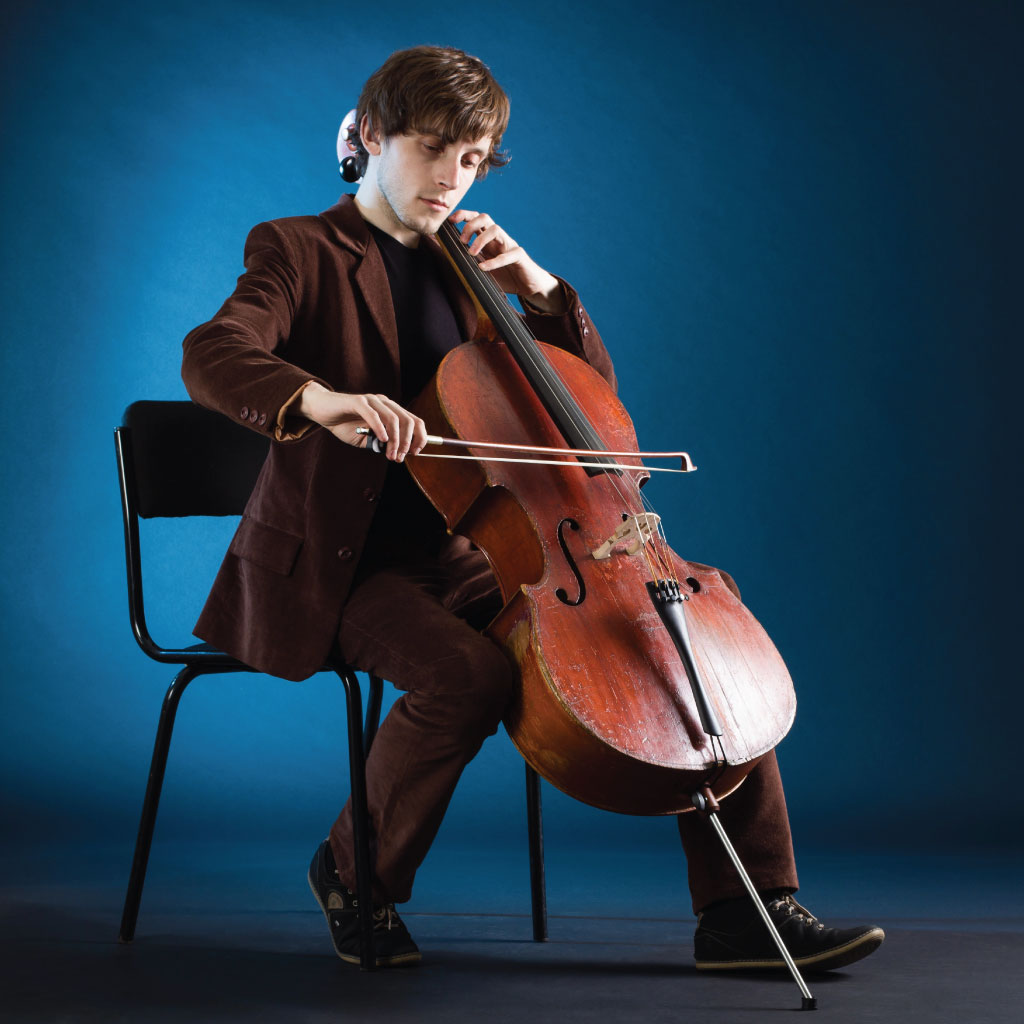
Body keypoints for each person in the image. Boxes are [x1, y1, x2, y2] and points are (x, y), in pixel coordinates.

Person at [181, 45, 884, 971]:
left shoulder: (469, 268)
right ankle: (353, 875)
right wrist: (322, 400)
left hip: (477, 555)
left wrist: (542, 294)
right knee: (466, 676)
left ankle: (745, 912)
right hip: (347, 564)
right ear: (374, 135)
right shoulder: (299, 249)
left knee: (685, 633)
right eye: (435, 149)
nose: (452, 178)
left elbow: (586, 423)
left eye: (473, 159)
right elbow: (215, 350)